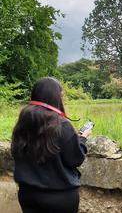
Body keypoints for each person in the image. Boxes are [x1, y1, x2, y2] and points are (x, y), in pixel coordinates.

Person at [11, 77, 92, 213]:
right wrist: (82, 139)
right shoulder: (62, 125)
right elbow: (75, 159)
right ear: (55, 97)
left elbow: (16, 152)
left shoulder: (23, 121)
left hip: (28, 195)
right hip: (59, 198)